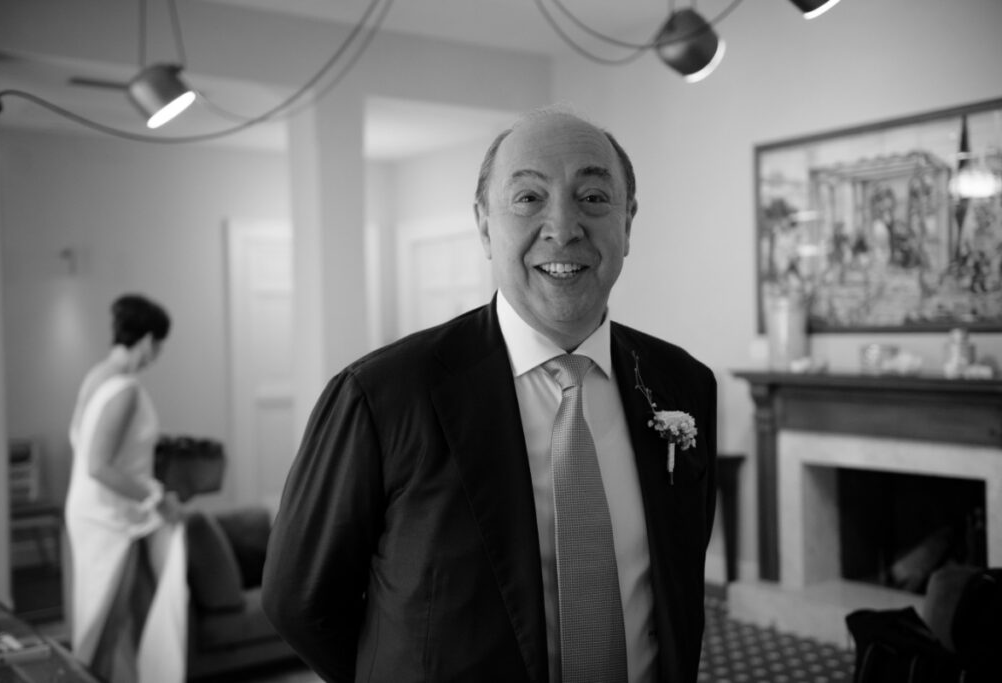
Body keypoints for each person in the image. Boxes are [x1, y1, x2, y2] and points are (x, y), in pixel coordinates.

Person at [262, 107, 717, 683]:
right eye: (528, 198)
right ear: (483, 225)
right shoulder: (380, 396)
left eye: (594, 198)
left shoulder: (684, 384)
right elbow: (298, 601)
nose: (564, 227)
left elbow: (678, 577)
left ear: (628, 219)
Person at [65, 293, 187, 683]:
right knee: (103, 623)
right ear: (148, 339)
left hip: (97, 511)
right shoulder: (126, 389)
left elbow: (81, 444)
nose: (160, 353)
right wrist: (156, 497)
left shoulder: (96, 377)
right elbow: (98, 465)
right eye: (160, 343)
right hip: (108, 518)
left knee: (109, 620)